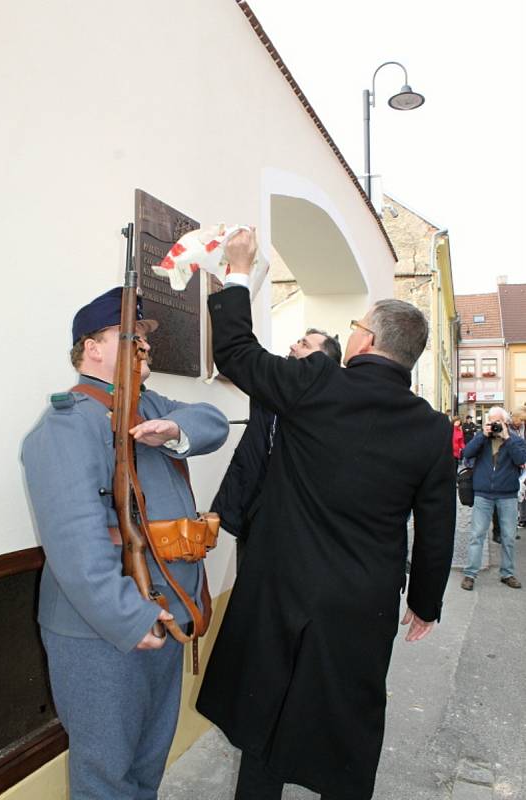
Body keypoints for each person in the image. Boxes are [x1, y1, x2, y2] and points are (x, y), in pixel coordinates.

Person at [196, 229, 456, 800]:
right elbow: (437, 525)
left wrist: (239, 272)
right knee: (345, 726)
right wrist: (425, 602)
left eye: (357, 326)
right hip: (362, 603)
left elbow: (236, 352)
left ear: (364, 341)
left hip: (283, 586)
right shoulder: (432, 429)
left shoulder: (315, 384)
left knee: (267, 712)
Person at [22, 287, 229, 800]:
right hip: (103, 631)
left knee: (146, 763)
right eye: (129, 336)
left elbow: (214, 421)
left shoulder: (151, 405)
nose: (144, 346)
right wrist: (129, 618)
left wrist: (174, 430)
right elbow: (76, 547)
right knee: (106, 775)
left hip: (167, 615)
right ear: (91, 348)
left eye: (145, 338)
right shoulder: (67, 424)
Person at [211, 327, 342, 541]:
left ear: (324, 362)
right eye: (298, 341)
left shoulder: (330, 411)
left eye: (304, 345)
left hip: (295, 523)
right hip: (252, 513)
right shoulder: (273, 386)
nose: (293, 346)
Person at [461, 406, 526, 592]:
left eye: (498, 421)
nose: (495, 425)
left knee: (508, 536)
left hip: (507, 495)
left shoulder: (515, 440)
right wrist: (482, 434)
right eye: (491, 421)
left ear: (505, 422)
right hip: (483, 494)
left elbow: (521, 458)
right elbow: (466, 453)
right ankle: (470, 574)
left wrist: (507, 438)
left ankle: (507, 573)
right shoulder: (481, 438)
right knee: (477, 535)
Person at [509, 409, 526, 529]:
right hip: (514, 464)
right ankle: (513, 519)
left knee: (523, 490)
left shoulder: (523, 427)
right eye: (521, 420)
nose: (522, 422)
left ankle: (523, 518)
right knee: (515, 491)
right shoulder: (507, 428)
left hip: (523, 462)